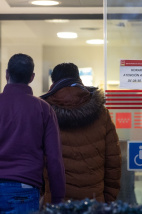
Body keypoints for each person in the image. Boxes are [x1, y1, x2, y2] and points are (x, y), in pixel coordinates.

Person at [0, 53, 65, 214]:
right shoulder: (43, 109)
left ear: (6, 74)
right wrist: (58, 199)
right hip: (22, 187)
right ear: (32, 77)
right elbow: (54, 158)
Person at [41, 62, 121, 203]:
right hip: (94, 202)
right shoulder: (101, 112)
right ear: (78, 79)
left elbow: (38, 160)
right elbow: (113, 162)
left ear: (53, 82)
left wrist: (43, 195)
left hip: (57, 202)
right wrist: (108, 200)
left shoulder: (45, 113)